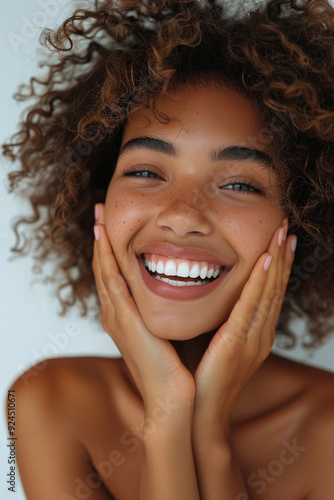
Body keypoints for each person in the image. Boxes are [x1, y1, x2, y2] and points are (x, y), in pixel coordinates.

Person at [4, 0, 334, 498]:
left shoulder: (326, 431)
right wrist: (169, 409)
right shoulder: (45, 400)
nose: (182, 214)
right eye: (145, 172)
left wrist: (206, 432)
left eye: (241, 184)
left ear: (302, 223)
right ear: (100, 196)